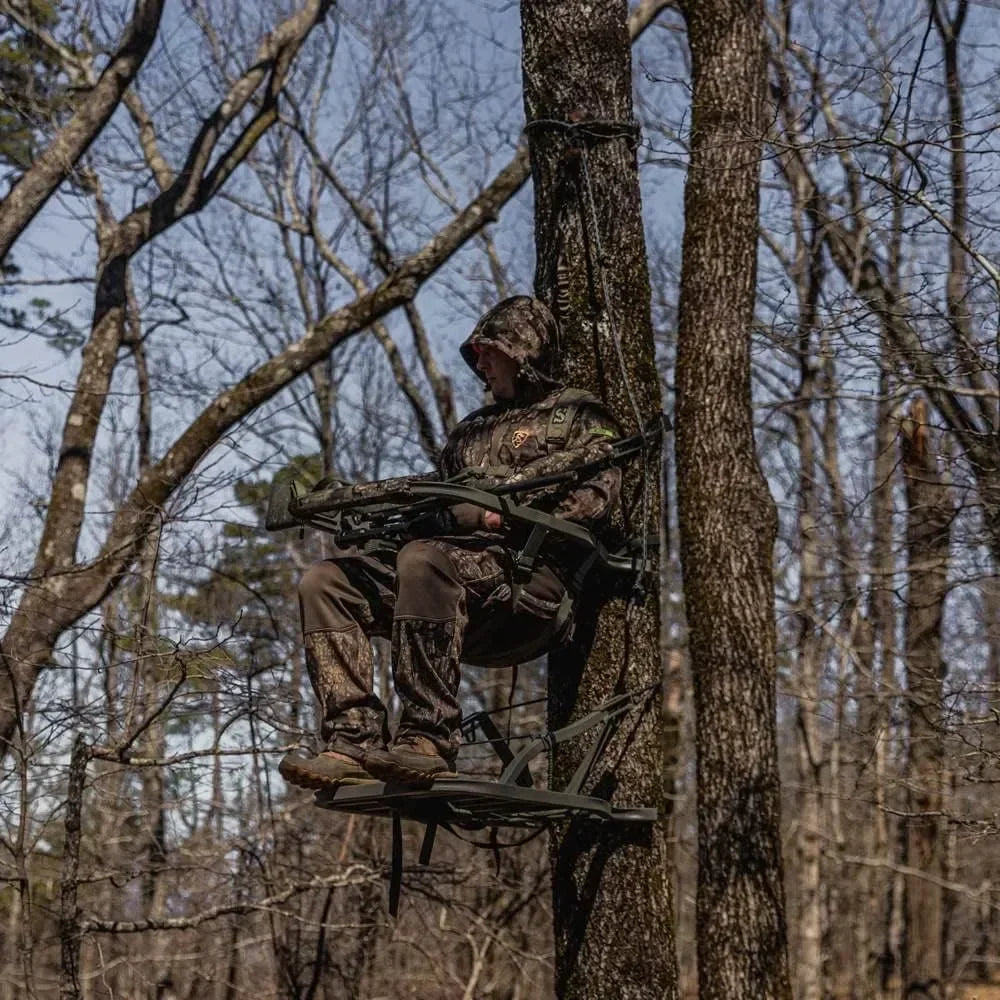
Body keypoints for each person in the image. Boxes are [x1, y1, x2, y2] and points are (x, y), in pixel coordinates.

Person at [279, 296, 622, 790]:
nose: (481, 365)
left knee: (423, 561)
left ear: (522, 351)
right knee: (326, 581)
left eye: (489, 352)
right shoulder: (471, 432)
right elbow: (434, 506)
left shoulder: (578, 414)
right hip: (448, 580)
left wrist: (493, 517)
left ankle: (427, 739)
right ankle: (352, 740)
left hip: (530, 583)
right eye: (476, 355)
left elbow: (594, 499)